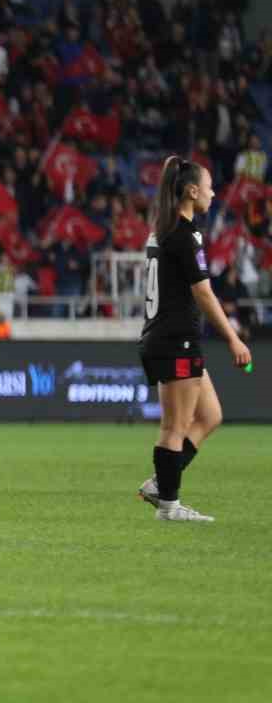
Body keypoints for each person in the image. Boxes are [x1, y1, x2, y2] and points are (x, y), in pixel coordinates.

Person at [136, 157, 252, 522]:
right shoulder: (184, 236)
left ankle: (161, 484)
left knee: (211, 415)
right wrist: (234, 339)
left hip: (168, 337)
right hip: (175, 340)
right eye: (209, 185)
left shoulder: (163, 229)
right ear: (191, 191)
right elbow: (203, 294)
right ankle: (169, 506)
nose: (214, 192)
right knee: (175, 426)